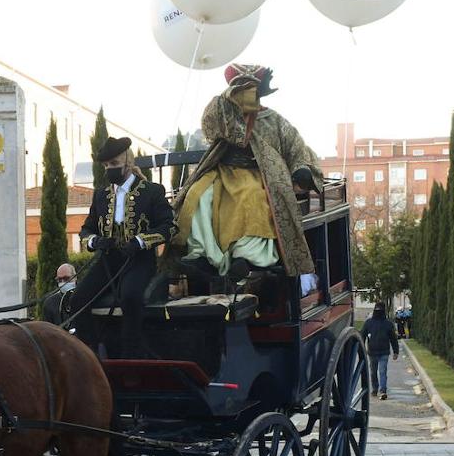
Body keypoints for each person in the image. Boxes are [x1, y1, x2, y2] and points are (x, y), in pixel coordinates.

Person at [172, 64, 323, 282]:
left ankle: (247, 255)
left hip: (259, 176)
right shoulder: (224, 114)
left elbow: (296, 147)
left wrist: (301, 169)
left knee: (251, 197)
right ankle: (201, 254)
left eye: (251, 89)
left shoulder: (275, 120)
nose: (247, 94)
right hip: (222, 172)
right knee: (197, 195)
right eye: (242, 89)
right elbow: (210, 126)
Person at [71, 136, 176, 357]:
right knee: (78, 298)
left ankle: (132, 356)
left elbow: (169, 227)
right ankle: (88, 353)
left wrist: (139, 241)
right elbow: (86, 229)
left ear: (128, 163)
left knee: (130, 296)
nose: (110, 169)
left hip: (139, 260)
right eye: (107, 165)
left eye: (114, 165)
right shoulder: (101, 195)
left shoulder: (152, 191)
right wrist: (94, 241)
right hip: (109, 261)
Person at [361, 303, 400, 400]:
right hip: (372, 352)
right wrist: (361, 349)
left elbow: (393, 339)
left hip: (384, 352)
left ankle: (383, 390)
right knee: (373, 372)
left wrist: (396, 351)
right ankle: (375, 389)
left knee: (382, 371)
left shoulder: (388, 324)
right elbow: (362, 336)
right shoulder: (368, 323)